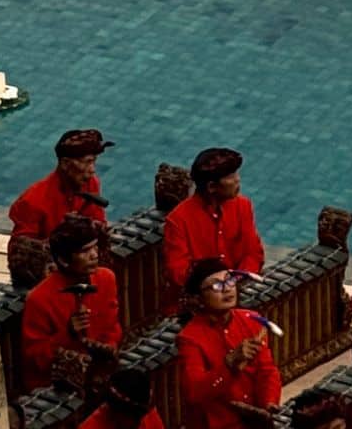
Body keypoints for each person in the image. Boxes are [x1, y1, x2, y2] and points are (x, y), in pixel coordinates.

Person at [176, 257, 281, 429]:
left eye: (230, 280)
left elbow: (267, 371)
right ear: (199, 298)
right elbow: (194, 393)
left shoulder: (252, 320)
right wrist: (229, 364)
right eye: (217, 285)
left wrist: (269, 403)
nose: (227, 289)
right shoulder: (189, 338)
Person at [20, 215, 121, 391]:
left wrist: (108, 350)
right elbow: (35, 358)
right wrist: (67, 334)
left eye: (95, 247)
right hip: (56, 388)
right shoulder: (39, 299)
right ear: (63, 260)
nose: (94, 255)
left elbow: (112, 327)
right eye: (84, 251)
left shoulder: (106, 279)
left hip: (98, 375)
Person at [163, 148, 266, 290]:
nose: (238, 179)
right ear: (212, 186)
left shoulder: (243, 206)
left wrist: (234, 281)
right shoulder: (178, 221)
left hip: (237, 290)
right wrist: (217, 287)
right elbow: (178, 272)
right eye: (231, 176)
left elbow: (254, 253)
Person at [10, 129, 113, 241]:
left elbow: (98, 220)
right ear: (65, 163)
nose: (93, 170)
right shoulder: (32, 202)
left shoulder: (91, 183)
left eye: (94, 162)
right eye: (87, 162)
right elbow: (20, 253)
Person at [78, 367, 165, 429]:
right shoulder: (91, 426)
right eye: (134, 417)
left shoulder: (148, 415)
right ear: (115, 412)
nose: (138, 423)